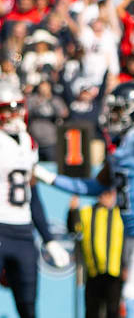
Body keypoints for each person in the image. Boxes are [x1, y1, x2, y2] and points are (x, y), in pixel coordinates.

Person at [33, 82, 134, 318]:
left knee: (133, 295)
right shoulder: (123, 146)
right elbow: (93, 186)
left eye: (117, 110)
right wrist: (50, 178)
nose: (111, 116)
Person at [0, 81, 70, 318]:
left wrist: (48, 238)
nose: (13, 114)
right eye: (7, 109)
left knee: (28, 306)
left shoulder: (29, 142)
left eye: (17, 107)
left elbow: (32, 194)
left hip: (24, 232)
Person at [67, 189, 124, 318]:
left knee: (113, 310)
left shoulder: (120, 213)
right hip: (93, 271)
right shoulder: (87, 212)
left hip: (114, 272)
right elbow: (73, 228)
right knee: (92, 311)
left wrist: (126, 265)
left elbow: (127, 241)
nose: (106, 196)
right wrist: (72, 211)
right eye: (103, 193)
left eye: (109, 193)